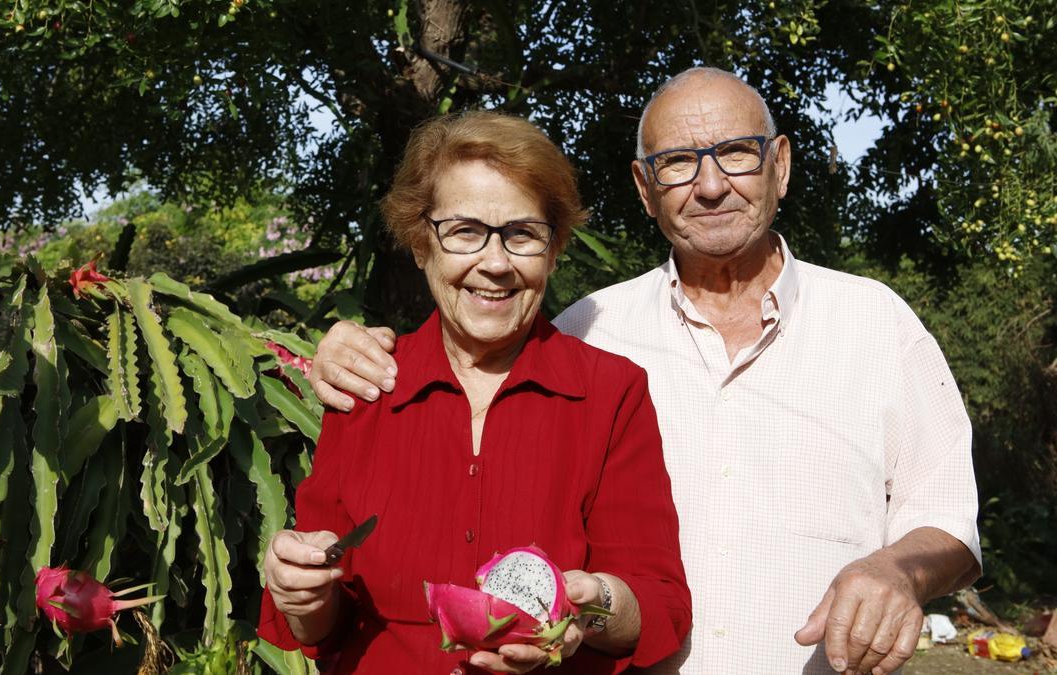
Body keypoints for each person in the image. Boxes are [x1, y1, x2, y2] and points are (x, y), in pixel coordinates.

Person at [307, 68, 982, 675]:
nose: (711, 185)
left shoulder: (875, 324)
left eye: (736, 154)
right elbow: (476, 345)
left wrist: (897, 568)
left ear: (780, 164)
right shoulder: (591, 326)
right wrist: (347, 347)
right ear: (645, 187)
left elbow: (949, 519)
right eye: (679, 162)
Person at [258, 111, 692, 674]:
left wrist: (591, 605)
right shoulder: (366, 385)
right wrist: (303, 594)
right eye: (465, 231)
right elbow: (323, 622)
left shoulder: (610, 393)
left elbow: (657, 606)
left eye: (522, 234)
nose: (494, 263)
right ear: (421, 244)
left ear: (553, 248)